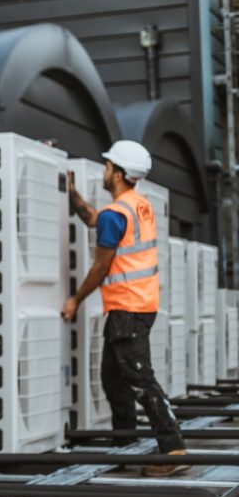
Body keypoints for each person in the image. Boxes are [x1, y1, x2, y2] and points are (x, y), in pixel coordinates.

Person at [61, 140, 187, 477]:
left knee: (140, 380)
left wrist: (74, 299)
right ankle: (125, 445)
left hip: (127, 308)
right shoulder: (136, 206)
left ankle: (173, 447)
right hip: (137, 305)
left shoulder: (117, 215)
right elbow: (93, 217)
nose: (103, 171)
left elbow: (101, 267)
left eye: (106, 166)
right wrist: (71, 192)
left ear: (117, 174)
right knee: (113, 380)